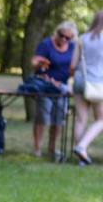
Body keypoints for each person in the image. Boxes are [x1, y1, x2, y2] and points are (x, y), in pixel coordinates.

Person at [31, 21, 77, 161]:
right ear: (57, 32)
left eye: (68, 38)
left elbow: (74, 67)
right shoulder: (46, 44)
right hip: (45, 85)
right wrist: (41, 64)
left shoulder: (73, 47)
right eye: (61, 35)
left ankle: (52, 148)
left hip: (62, 87)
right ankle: (37, 148)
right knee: (42, 116)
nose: (64, 39)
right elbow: (34, 61)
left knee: (58, 118)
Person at [70, 11, 103, 165]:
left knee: (81, 119)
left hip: (80, 81)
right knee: (101, 119)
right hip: (98, 83)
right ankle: (82, 147)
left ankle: (81, 159)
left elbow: (72, 65)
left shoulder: (82, 38)